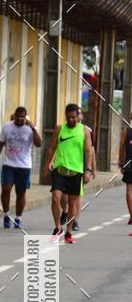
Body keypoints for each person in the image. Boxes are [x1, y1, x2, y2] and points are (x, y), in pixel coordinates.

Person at [42, 103, 93, 243]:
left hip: (76, 172)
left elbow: (89, 152)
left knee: (72, 203)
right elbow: (51, 148)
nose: (70, 120)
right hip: (60, 169)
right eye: (68, 117)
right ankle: (58, 227)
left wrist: (88, 170)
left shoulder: (84, 131)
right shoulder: (60, 129)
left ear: (78, 117)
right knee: (55, 198)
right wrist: (46, 166)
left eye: (73, 117)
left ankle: (69, 231)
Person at [0, 106, 41, 228]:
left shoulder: (30, 129)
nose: (20, 119)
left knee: (21, 192)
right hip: (9, 164)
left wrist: (33, 128)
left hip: (24, 166)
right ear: (14, 116)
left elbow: (39, 144)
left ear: (25, 117)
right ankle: (6, 215)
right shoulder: (7, 127)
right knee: (6, 188)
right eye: (18, 116)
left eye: (22, 117)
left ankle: (18, 218)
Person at [118, 117, 132, 226]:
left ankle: (131, 216)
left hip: (129, 165)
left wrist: (121, 163)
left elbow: (121, 148)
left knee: (129, 191)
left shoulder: (125, 131)